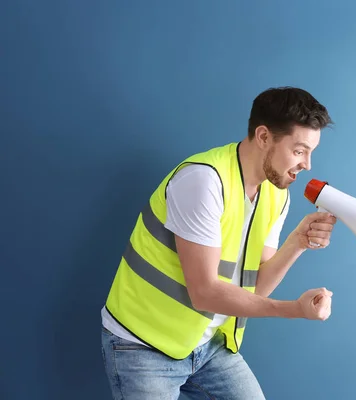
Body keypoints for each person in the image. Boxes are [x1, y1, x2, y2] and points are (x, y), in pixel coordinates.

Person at [100, 86, 337, 399]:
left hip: (206, 345)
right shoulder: (203, 181)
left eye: (311, 152)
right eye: (299, 150)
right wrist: (294, 309)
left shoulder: (276, 194)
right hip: (144, 345)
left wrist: (298, 242)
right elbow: (205, 292)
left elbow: (255, 288)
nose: (307, 164)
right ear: (264, 137)